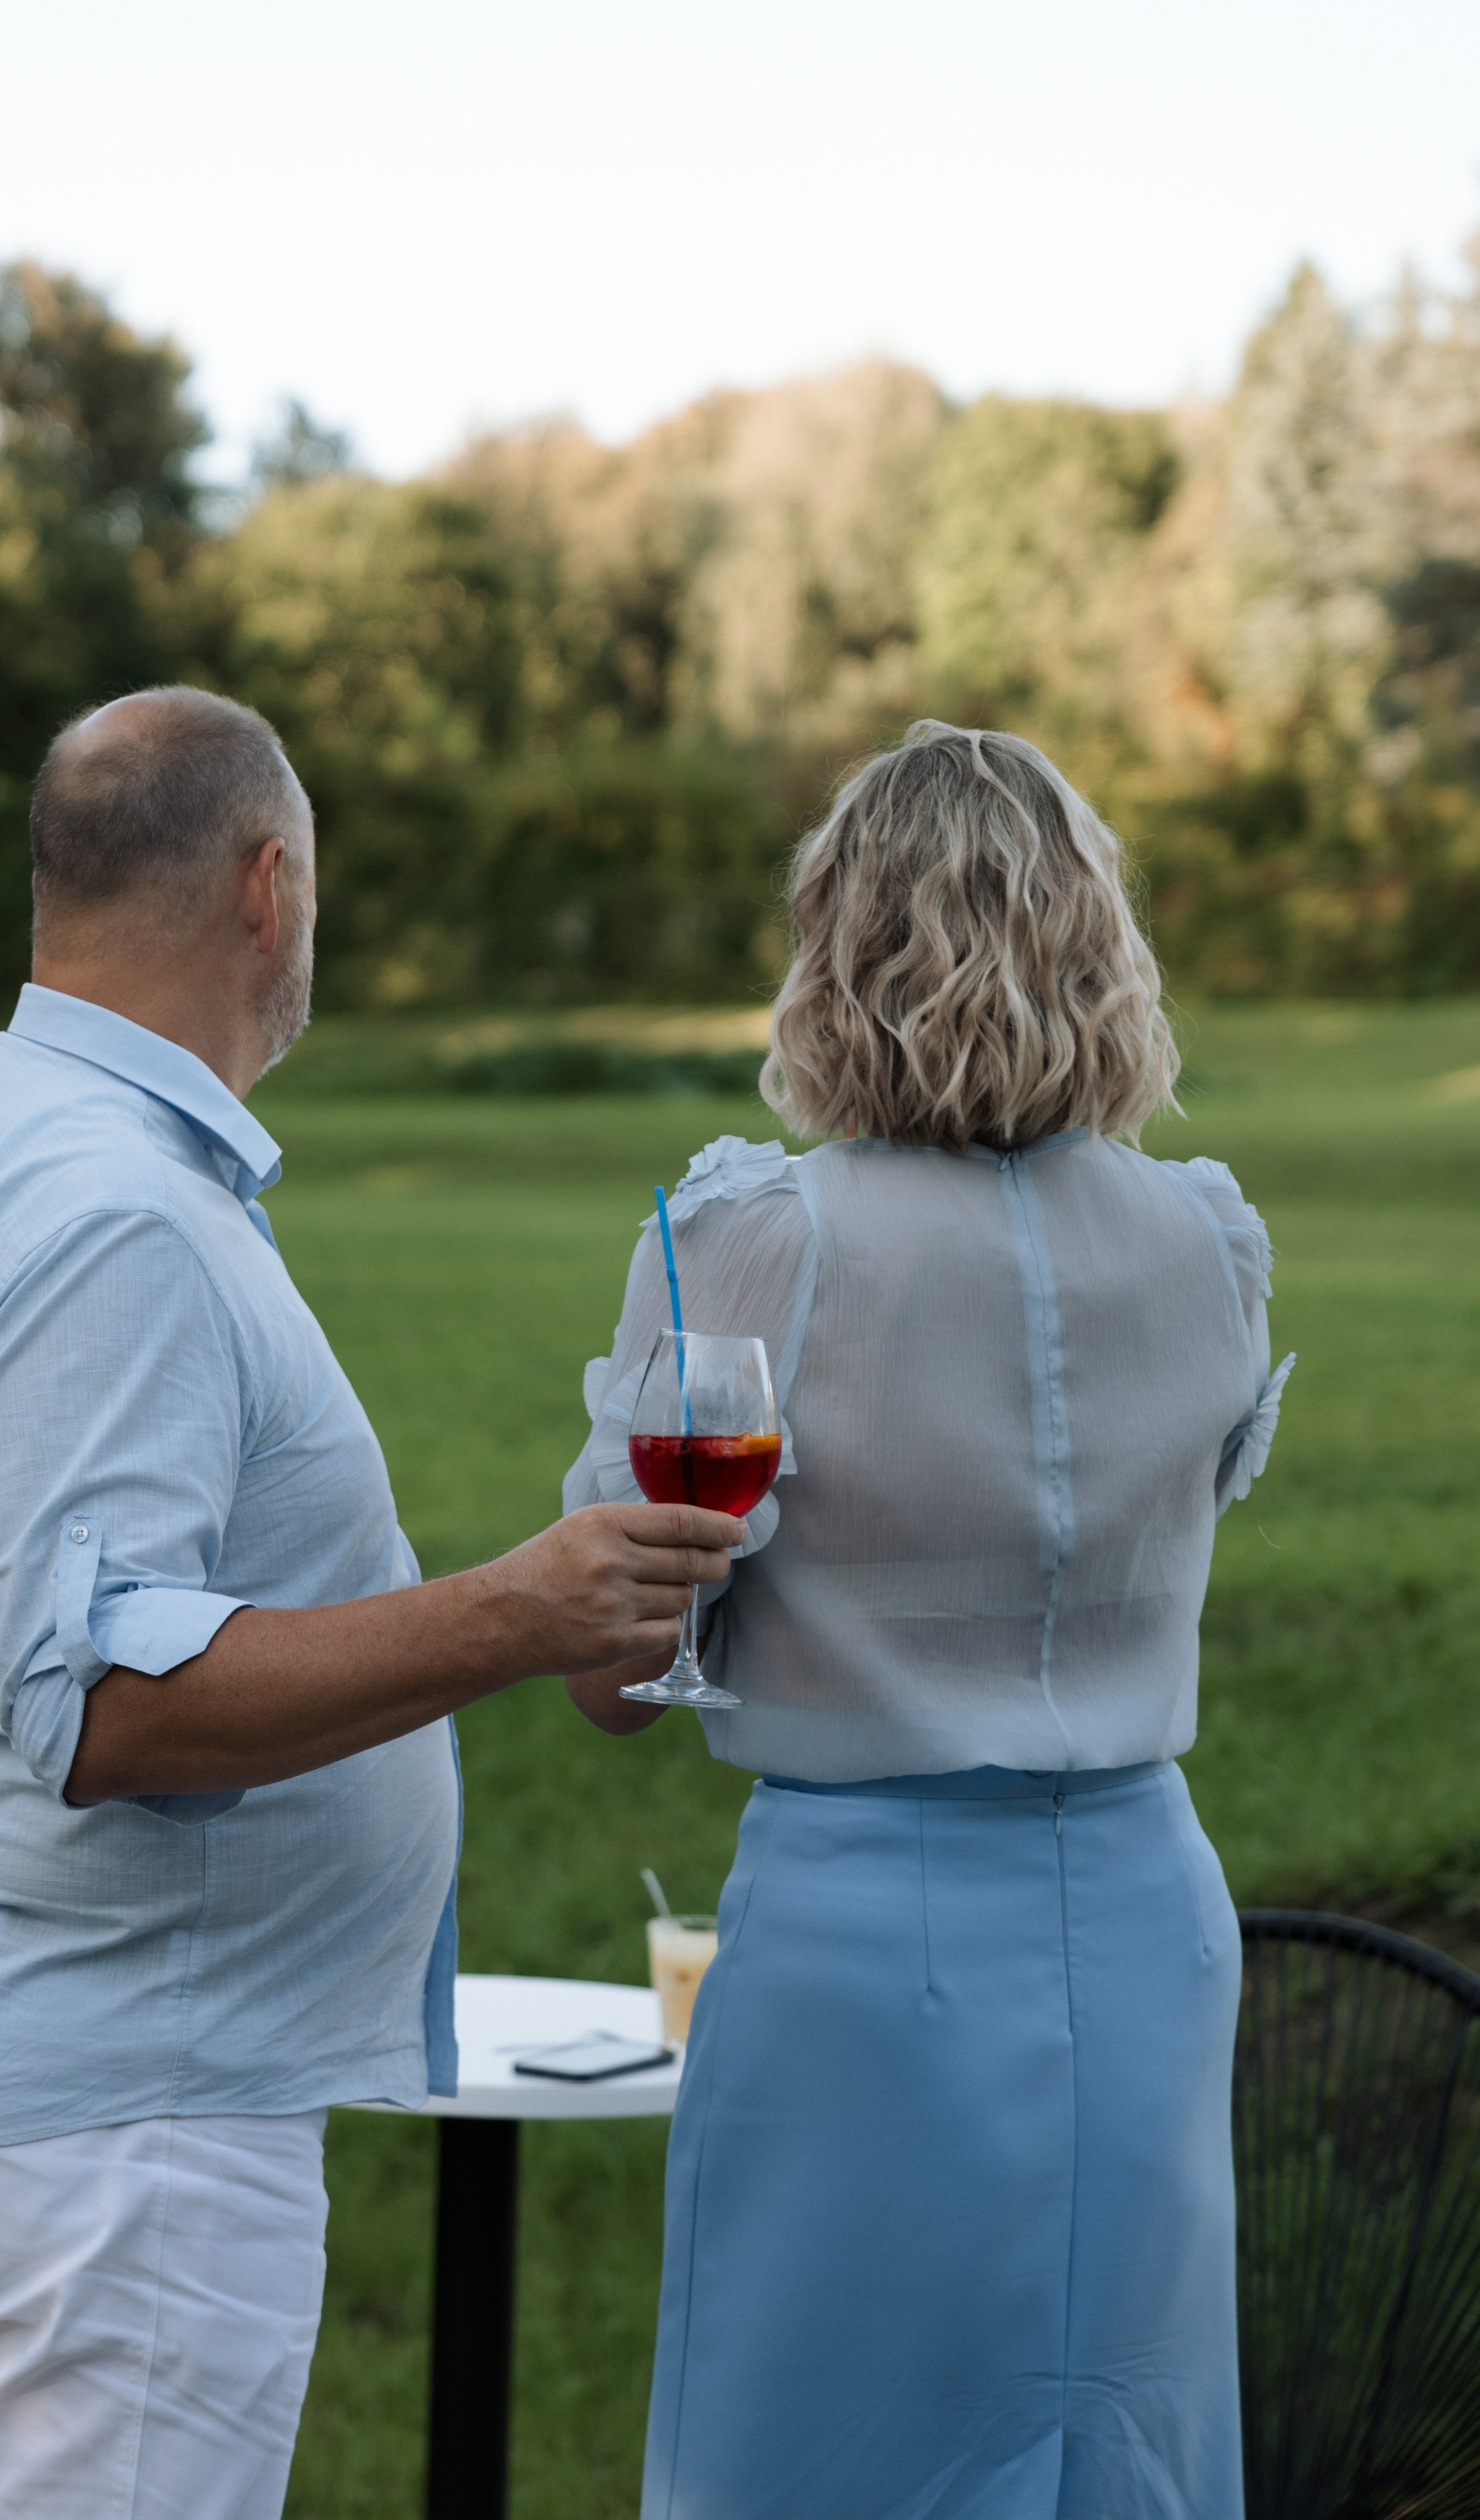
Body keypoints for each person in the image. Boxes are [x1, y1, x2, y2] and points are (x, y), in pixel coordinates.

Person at [0, 686, 734, 2520]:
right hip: (112, 2124)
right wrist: (517, 1608)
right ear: (267, 884)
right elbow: (108, 1703)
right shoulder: (110, 1211)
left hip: (25, 2082)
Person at [565, 721, 1294, 2520]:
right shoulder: (1204, 1241)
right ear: (1094, 943)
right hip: (1141, 1916)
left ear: (835, 949)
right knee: (1112, 2452)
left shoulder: (754, 1239)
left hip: (857, 1943)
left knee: (814, 2466)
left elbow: (607, 1673)